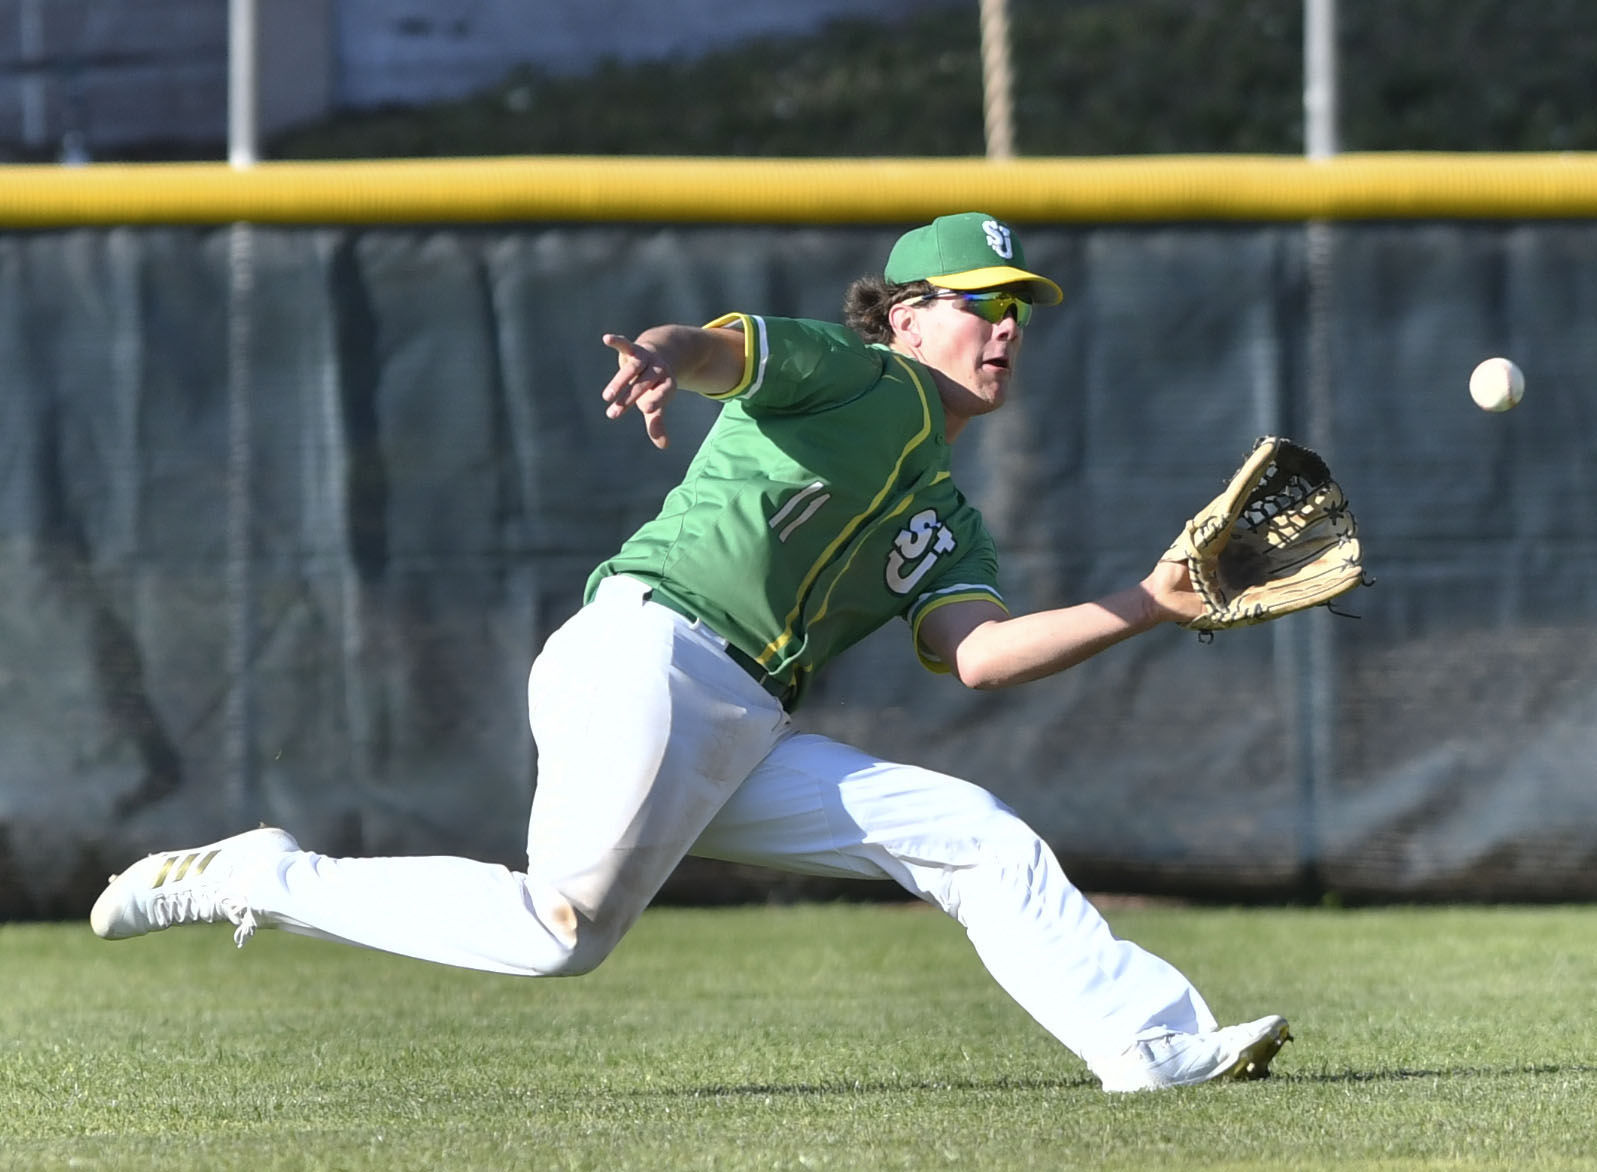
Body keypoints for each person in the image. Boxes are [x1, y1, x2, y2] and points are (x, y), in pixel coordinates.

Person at [90, 212, 1289, 1093]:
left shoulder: (947, 506)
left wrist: (1150, 600)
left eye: (1016, 307)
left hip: (736, 718)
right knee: (558, 930)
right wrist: (666, 353)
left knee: (970, 833)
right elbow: (722, 348)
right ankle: (264, 875)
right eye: (981, 301)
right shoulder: (852, 368)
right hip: (652, 655)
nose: (1005, 327)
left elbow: (974, 654)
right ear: (907, 313)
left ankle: (1149, 1043)